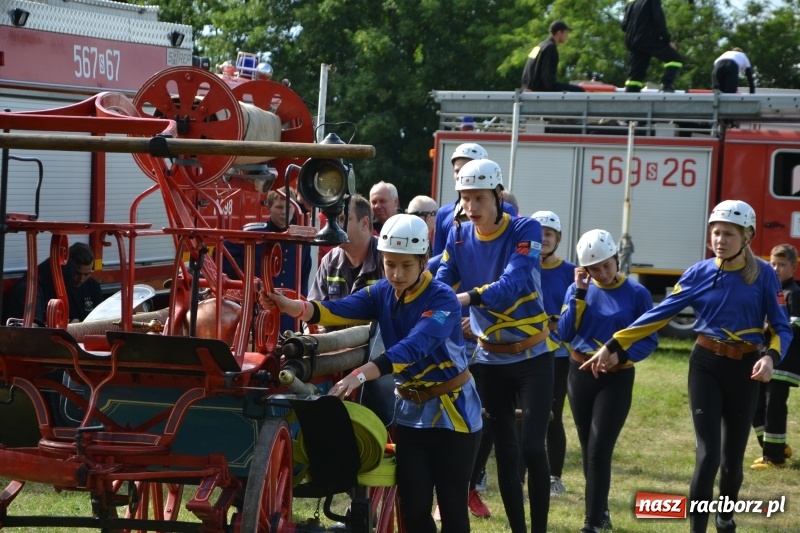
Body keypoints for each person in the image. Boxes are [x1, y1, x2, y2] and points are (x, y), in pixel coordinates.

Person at [259, 214, 482, 533]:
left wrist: (360, 374)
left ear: (423, 260)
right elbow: (338, 309)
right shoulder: (382, 292)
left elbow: (413, 347)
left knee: (452, 513)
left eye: (406, 265)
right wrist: (291, 306)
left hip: (455, 416)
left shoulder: (442, 298)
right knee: (415, 511)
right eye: (390, 264)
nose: (397, 274)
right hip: (410, 416)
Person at [582, 200, 792, 533]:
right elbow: (660, 313)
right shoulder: (699, 272)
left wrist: (770, 357)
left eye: (728, 234)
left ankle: (724, 517)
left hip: (745, 369)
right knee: (708, 455)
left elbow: (782, 327)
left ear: (747, 236)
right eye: (716, 232)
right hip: (705, 366)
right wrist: (614, 344)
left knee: (731, 463)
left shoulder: (764, 275)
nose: (720, 240)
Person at [436, 158, 552, 533]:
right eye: (465, 198)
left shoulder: (526, 227)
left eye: (479, 198)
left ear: (498, 196)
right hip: (489, 361)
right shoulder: (456, 236)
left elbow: (513, 284)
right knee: (506, 453)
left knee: (533, 448)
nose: (471, 207)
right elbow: (441, 281)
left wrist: (464, 299)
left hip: (534, 357)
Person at [558, 229, 657, 533]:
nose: (601, 273)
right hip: (580, 374)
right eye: (594, 268)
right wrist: (579, 294)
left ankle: (591, 522)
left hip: (616, 378)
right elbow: (564, 334)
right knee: (589, 448)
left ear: (616, 258)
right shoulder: (579, 289)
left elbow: (649, 339)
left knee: (600, 449)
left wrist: (621, 357)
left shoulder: (637, 294)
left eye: (606, 265)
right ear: (583, 269)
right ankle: (600, 510)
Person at [530, 211, 576, 498]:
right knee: (523, 417)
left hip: (557, 355)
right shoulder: (521, 267)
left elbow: (579, 310)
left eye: (549, 234)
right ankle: (521, 474)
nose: (544, 239)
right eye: (539, 234)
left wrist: (556, 322)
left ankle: (554, 477)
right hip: (524, 353)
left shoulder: (570, 271)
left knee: (552, 416)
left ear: (558, 239)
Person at [223, 189, 311, 334]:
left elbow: (304, 276)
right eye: (279, 207)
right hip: (258, 309)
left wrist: (301, 309)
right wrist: (243, 282)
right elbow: (224, 254)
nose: (284, 212)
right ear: (268, 207)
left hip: (289, 312)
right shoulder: (253, 233)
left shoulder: (301, 240)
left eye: (289, 207)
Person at [751, 243, 800, 469]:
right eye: (772, 264)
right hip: (764, 357)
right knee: (756, 406)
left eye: (782, 264)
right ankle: (777, 448)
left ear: (793, 267)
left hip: (782, 362)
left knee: (774, 407)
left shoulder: (793, 293)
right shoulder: (772, 290)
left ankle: (774, 458)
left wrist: (766, 327)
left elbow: (791, 328)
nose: (776, 268)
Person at [432, 143, 517, 257]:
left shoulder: (505, 209)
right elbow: (438, 259)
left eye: (467, 168)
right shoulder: (444, 213)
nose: (461, 175)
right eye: (457, 171)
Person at [308, 194, 384, 306]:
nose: (335, 225)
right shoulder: (329, 262)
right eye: (334, 219)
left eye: (343, 219)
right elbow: (312, 312)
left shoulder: (386, 258)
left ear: (364, 223)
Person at [7, 241, 103, 324]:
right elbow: (35, 330)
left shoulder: (92, 286)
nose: (81, 279)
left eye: (87, 274)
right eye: (77, 273)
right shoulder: (32, 290)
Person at [621, 0, 683, 92]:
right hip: (647, 39)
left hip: (632, 41)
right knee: (674, 57)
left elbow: (624, 25)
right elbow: (659, 19)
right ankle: (667, 85)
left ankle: (631, 90)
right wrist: (667, 40)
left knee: (634, 78)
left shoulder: (631, 2)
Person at [521, 20, 585, 93]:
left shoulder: (539, 46)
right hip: (539, 90)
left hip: (527, 89)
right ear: (559, 33)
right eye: (566, 32)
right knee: (579, 91)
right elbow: (547, 78)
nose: (567, 36)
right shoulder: (550, 47)